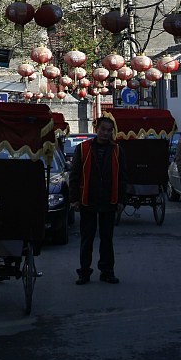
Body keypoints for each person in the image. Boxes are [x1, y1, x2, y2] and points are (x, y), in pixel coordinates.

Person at [69, 114, 125, 285]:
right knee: (87, 239)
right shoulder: (83, 148)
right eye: (103, 129)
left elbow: (122, 177)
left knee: (107, 239)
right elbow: (74, 175)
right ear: (96, 129)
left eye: (109, 130)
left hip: (109, 200)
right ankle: (84, 272)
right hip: (88, 199)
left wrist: (121, 200)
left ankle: (107, 271)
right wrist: (74, 199)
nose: (106, 133)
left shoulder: (117, 150)